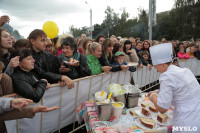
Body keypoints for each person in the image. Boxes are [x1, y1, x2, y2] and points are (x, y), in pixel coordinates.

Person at [148, 43, 200, 132]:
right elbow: (180, 89)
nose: (156, 70)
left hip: (186, 120)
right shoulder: (185, 70)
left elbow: (162, 108)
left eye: (156, 67)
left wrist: (153, 97)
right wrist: (159, 91)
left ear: (162, 64)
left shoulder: (167, 76)